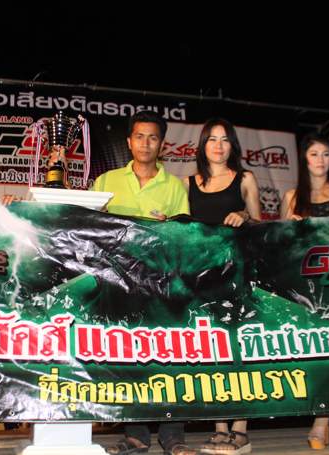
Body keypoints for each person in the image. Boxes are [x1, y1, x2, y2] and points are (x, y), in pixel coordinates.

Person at [93, 111, 193, 455]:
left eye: (152, 137)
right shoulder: (106, 181)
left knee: (169, 356)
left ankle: (173, 435)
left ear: (161, 144)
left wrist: (168, 227)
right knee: (127, 358)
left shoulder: (174, 186)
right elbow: (90, 227)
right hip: (118, 282)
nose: (145, 143)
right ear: (129, 141)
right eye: (139, 136)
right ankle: (136, 435)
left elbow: (183, 235)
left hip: (161, 283)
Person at [184, 118, 260, 455]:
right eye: (212, 139)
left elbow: (261, 225)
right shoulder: (187, 183)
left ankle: (241, 430)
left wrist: (245, 216)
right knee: (212, 352)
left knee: (240, 351)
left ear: (233, 146)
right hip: (202, 278)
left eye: (225, 139)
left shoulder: (245, 179)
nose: (218, 145)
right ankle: (218, 428)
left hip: (238, 275)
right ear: (202, 145)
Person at [281, 133, 329, 450]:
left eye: (326, 154)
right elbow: (283, 247)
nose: (320, 160)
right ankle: (322, 417)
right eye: (314, 154)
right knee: (320, 353)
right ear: (304, 158)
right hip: (308, 287)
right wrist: (294, 229)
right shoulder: (291, 196)